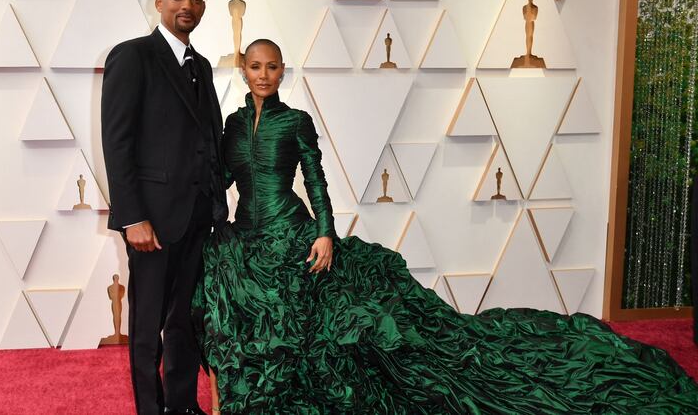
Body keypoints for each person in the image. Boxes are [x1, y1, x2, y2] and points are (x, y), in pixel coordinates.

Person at [192, 39, 698, 414]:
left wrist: (325, 231)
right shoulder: (232, 126)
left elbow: (316, 180)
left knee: (355, 329)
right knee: (225, 299)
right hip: (246, 239)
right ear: (244, 69)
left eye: (272, 66)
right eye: (255, 67)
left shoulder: (295, 120)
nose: (263, 74)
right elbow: (221, 181)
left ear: (283, 70)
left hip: (296, 235)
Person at [101, 0, 227, 415]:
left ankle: (182, 404)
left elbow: (208, 139)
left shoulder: (203, 65)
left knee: (185, 322)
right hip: (150, 221)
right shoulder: (132, 56)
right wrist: (132, 217)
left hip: (197, 217)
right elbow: (117, 142)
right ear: (159, 3)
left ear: (203, 8)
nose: (186, 6)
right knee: (147, 324)